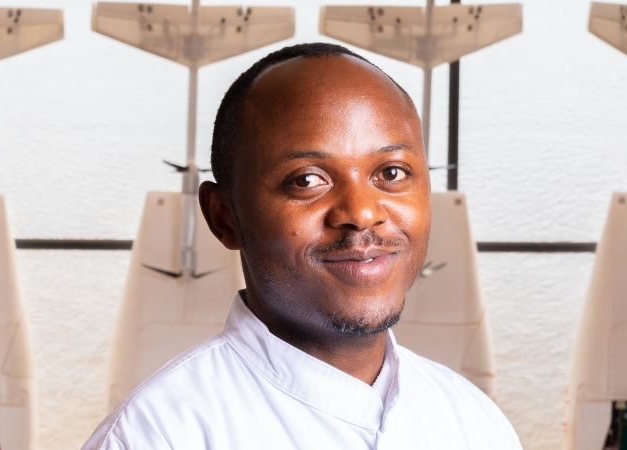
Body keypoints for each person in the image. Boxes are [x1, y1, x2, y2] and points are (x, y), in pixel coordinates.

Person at [82, 42, 520, 449]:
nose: (362, 213)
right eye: (307, 180)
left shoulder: (473, 422)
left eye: (390, 174)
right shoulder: (158, 435)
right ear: (224, 217)